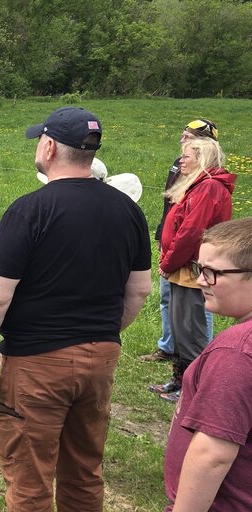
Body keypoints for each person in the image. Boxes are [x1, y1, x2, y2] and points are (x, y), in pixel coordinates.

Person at [0, 107, 151, 511]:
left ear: (49, 147)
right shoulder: (128, 210)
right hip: (101, 356)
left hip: (38, 360)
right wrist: (100, 332)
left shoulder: (30, 209)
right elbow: (139, 291)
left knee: (29, 475)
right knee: (84, 472)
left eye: (39, 140)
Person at [163, 217, 252, 511]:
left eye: (212, 272)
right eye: (199, 269)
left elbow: (213, 454)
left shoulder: (236, 352)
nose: (201, 280)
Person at [153, 137, 235, 402]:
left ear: (201, 159)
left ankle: (192, 389)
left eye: (186, 156)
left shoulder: (209, 187)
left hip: (190, 269)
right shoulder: (197, 185)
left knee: (191, 330)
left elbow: (191, 232)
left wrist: (168, 263)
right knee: (179, 328)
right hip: (182, 268)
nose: (181, 161)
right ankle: (178, 381)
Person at [141, 119, 220, 365]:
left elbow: (192, 228)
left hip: (190, 259)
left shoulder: (207, 185)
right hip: (174, 251)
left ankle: (196, 364)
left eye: (188, 138)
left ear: (204, 148)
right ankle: (172, 352)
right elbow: (171, 209)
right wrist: (161, 237)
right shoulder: (182, 168)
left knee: (195, 312)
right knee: (172, 304)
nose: (181, 141)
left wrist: (171, 258)